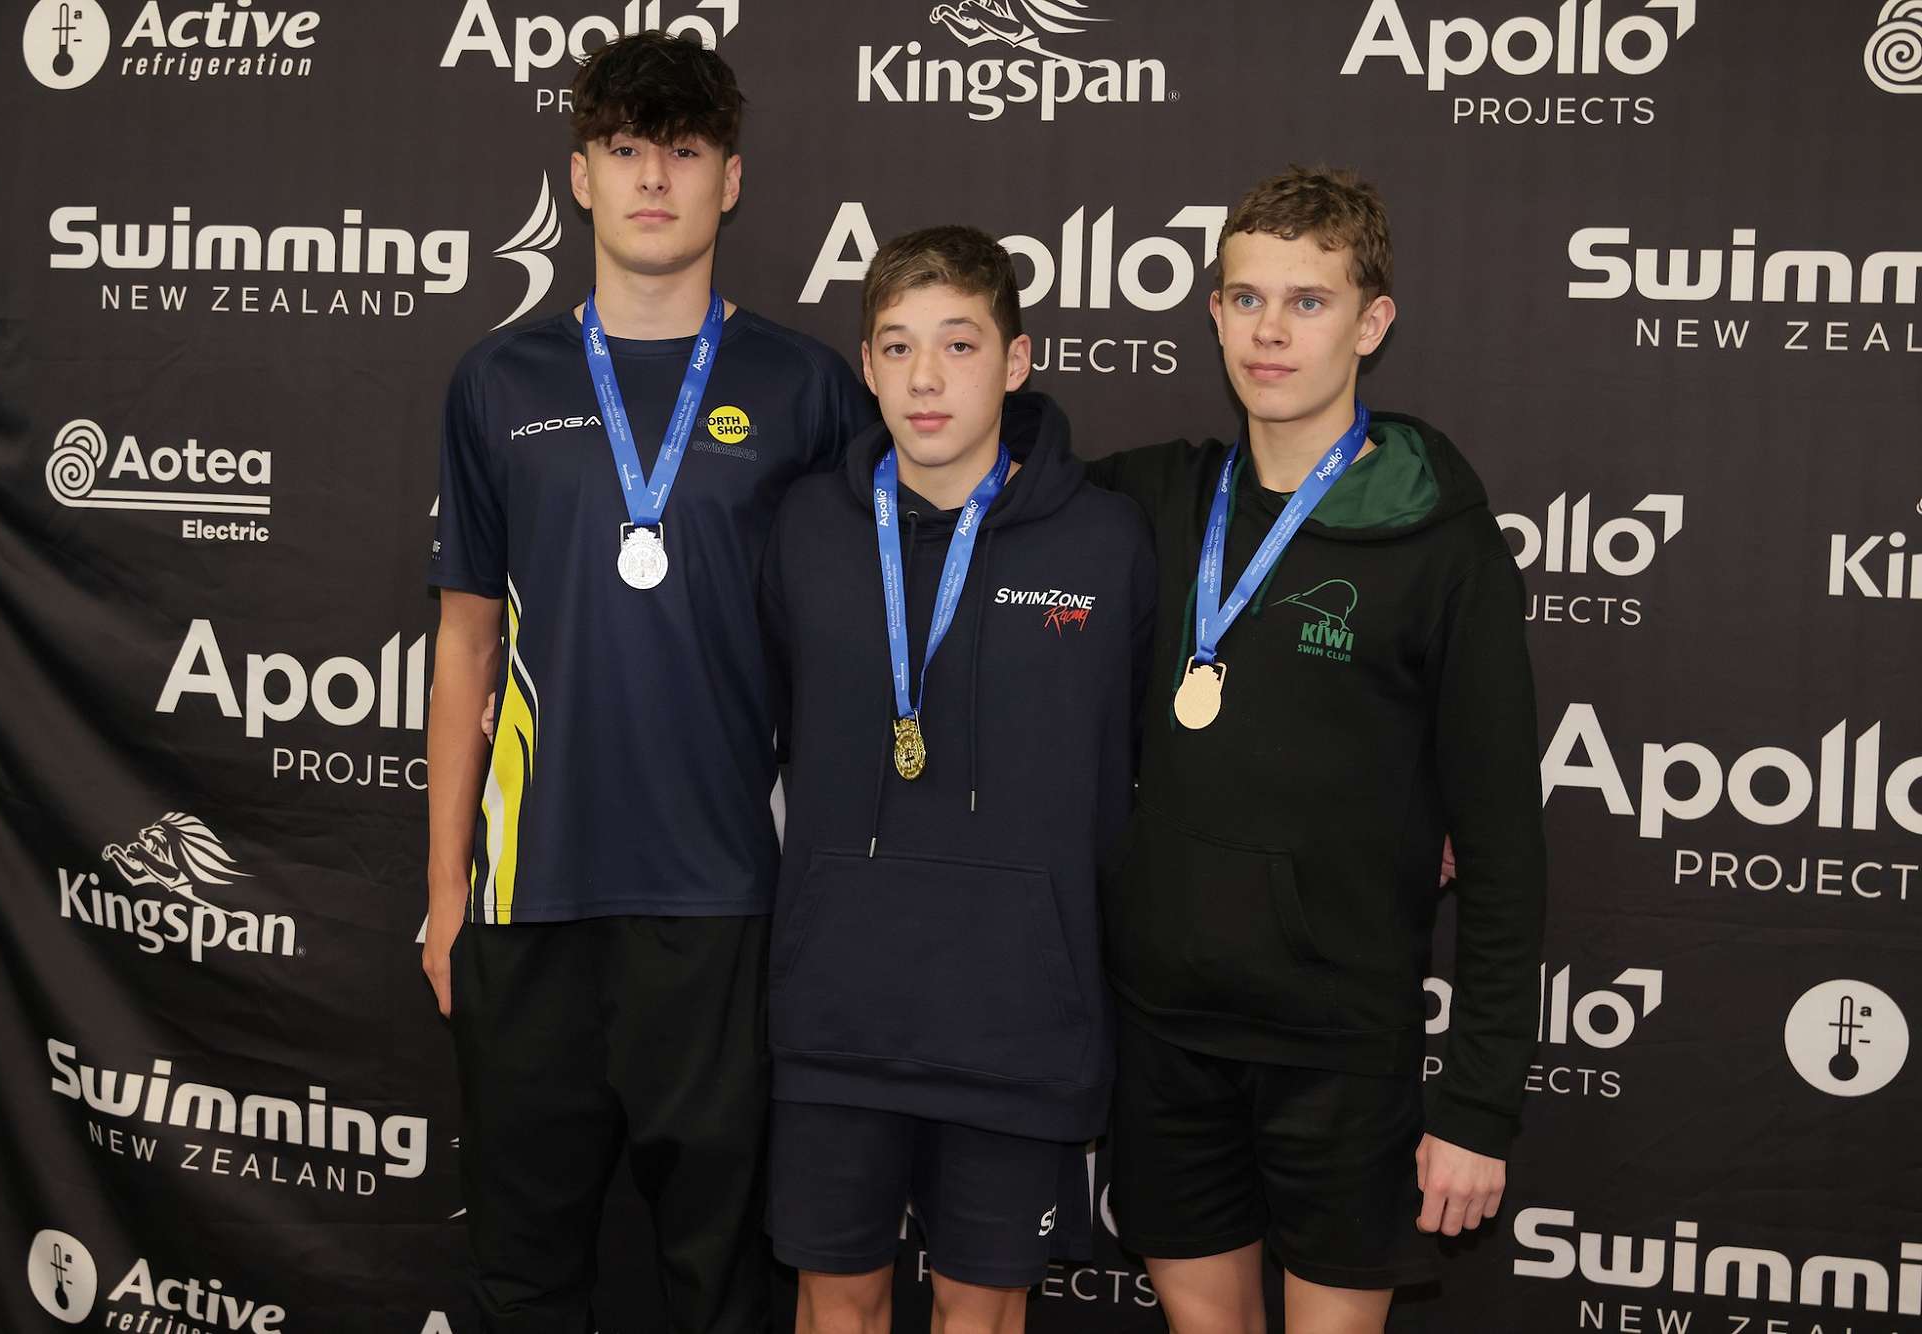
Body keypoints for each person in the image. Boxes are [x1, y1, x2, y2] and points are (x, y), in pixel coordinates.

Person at [422, 32, 871, 1333]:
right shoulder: (497, 380)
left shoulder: (806, 389)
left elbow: (866, 648)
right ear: (580, 176)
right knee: (521, 1281)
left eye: (684, 149)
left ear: (730, 178)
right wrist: (445, 894)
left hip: (726, 905)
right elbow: (464, 643)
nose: (654, 179)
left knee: (724, 1287)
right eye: (625, 149)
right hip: (531, 901)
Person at [1088, 166, 1548, 1333]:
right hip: (1164, 1030)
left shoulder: (1439, 539)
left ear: (1370, 321)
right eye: (1245, 299)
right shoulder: (1154, 498)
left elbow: (1502, 849)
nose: (1270, 331)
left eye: (1307, 301)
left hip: (1340, 1043)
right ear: (1212, 313)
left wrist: (1477, 1104)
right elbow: (995, 466)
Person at [757, 225, 1156, 1334]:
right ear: (867, 364)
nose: (925, 378)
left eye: (959, 344)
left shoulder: (1107, 541)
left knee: (978, 1317)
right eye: (896, 346)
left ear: (1016, 360)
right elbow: (750, 722)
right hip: (837, 1014)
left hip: (1018, 1022)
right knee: (836, 1306)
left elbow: (1156, 759)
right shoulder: (805, 527)